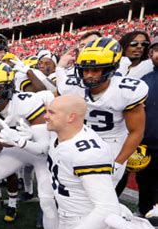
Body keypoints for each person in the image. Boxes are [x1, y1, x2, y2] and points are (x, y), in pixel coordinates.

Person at [0, 62, 58, 229]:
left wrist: (19, 141)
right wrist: (1, 141)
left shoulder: (27, 102)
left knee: (47, 201)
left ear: (9, 86)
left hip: (41, 152)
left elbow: (43, 149)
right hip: (15, 149)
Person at [56, 37, 148, 189]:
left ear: (111, 68)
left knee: (100, 192)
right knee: (69, 188)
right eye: (85, 70)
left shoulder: (126, 91)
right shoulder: (71, 86)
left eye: (96, 70)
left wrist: (118, 163)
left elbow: (136, 131)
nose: (89, 75)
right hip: (79, 139)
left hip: (112, 143)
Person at [36, 95, 120, 229]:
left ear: (71, 117)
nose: (45, 116)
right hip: (66, 218)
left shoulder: (88, 153)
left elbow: (108, 209)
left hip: (93, 226)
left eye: (51, 112)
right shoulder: (60, 134)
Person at [136, 36, 158, 216]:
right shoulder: (144, 79)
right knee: (145, 184)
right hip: (146, 145)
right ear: (150, 54)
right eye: (157, 50)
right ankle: (144, 216)